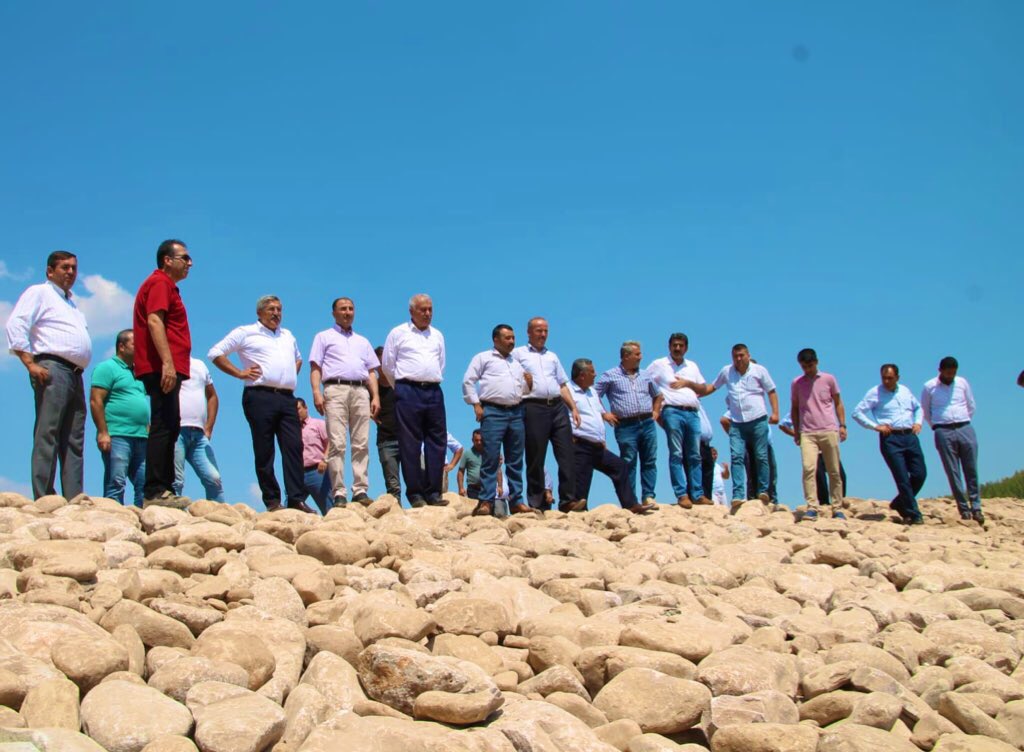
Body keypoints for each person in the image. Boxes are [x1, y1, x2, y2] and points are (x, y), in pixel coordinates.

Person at [209, 295, 312, 513]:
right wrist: (239, 373)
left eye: (279, 309)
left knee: (294, 447)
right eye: (271, 309)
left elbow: (298, 358)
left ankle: (296, 498)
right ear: (259, 312)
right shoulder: (246, 332)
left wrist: (287, 375)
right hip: (259, 396)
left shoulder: (287, 335)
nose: (276, 313)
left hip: (287, 398)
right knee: (265, 449)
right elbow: (216, 353)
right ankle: (272, 500)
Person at [5, 250, 92, 499]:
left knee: (74, 437)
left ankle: (74, 496)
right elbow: (17, 323)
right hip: (52, 367)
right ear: (50, 271)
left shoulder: (72, 304)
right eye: (65, 267)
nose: (71, 272)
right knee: (48, 432)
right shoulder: (39, 292)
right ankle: (44, 496)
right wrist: (29, 363)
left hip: (76, 372)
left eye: (74, 268)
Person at [133, 240, 193, 509]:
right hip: (161, 366)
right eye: (185, 258)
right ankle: (155, 490)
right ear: (167, 260)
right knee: (163, 424)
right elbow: (155, 320)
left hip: (170, 366)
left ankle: (165, 488)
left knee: (171, 424)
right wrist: (167, 363)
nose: (190, 263)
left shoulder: (168, 286)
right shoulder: (159, 282)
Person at [684, 344, 779, 511]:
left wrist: (775, 413)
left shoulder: (759, 370)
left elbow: (771, 391)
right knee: (736, 457)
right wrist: (693, 389)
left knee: (761, 456)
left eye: (741, 355)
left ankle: (764, 490)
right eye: (735, 356)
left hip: (758, 419)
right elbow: (712, 387)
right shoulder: (727, 371)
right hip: (737, 422)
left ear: (748, 355)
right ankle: (738, 494)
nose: (738, 359)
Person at [308, 297, 380, 507]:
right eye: (343, 309)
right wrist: (316, 392)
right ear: (334, 313)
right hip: (335, 388)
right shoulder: (323, 337)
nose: (347, 312)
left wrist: (375, 396)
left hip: (360, 390)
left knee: (361, 442)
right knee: (337, 443)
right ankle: (338, 491)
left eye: (350, 308)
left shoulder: (362, 341)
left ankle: (360, 489)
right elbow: (315, 367)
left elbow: (371, 371)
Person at [381, 294, 448, 508]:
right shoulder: (398, 333)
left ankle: (434, 492)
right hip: (407, 390)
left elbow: (441, 363)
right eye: (423, 309)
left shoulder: (437, 335)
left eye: (430, 309)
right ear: (412, 311)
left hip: (434, 390)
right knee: (410, 443)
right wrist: (401, 388)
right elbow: (388, 366)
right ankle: (416, 494)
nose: (427, 313)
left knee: (437, 442)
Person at [567, 358, 656, 515]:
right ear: (582, 375)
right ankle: (577, 511)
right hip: (579, 443)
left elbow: (599, 413)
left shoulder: (592, 392)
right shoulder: (567, 391)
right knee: (582, 481)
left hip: (597, 445)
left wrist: (602, 437)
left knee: (620, 466)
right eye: (592, 372)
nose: (595, 374)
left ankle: (630, 504)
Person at [512, 317, 581, 511]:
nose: (543, 334)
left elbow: (562, 384)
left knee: (566, 453)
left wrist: (573, 407)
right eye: (539, 330)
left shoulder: (552, 356)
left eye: (545, 331)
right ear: (529, 332)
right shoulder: (518, 354)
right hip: (533, 406)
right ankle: (536, 502)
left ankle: (568, 500)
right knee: (536, 455)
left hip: (558, 407)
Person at [462, 324, 531, 516]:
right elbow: (468, 381)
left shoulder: (516, 362)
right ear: (496, 339)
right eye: (507, 338)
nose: (512, 341)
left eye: (513, 338)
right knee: (491, 457)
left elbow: (522, 390)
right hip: (493, 411)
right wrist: (476, 404)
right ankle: (486, 501)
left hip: (516, 411)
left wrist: (529, 383)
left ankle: (517, 501)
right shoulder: (483, 358)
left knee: (515, 459)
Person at [853, 363, 926, 525]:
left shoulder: (905, 390)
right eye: (884, 378)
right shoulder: (875, 393)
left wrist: (918, 422)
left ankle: (900, 502)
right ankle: (913, 513)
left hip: (909, 435)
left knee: (920, 474)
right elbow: (857, 413)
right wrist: (875, 426)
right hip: (890, 438)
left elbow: (918, 407)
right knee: (902, 477)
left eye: (890, 378)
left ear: (897, 378)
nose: (886, 381)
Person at [595, 340, 662, 506]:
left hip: (647, 422)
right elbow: (593, 395)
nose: (641, 357)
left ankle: (648, 495)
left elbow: (658, 395)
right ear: (626, 356)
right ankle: (631, 501)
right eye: (637, 354)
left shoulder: (646, 375)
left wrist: (655, 412)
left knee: (649, 460)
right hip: (625, 425)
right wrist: (604, 414)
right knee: (628, 461)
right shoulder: (610, 375)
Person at [647, 333, 710, 508]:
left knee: (695, 455)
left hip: (692, 412)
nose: (677, 348)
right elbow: (644, 381)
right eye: (674, 345)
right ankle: (682, 494)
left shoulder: (692, 366)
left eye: (681, 345)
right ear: (669, 346)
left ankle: (697, 494)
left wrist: (688, 383)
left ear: (686, 348)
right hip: (672, 411)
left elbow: (703, 388)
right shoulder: (659, 364)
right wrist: (656, 410)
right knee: (676, 453)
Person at [89, 329, 148, 506]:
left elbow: (140, 401)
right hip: (117, 434)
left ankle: (142, 517)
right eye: (135, 344)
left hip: (141, 436)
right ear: (121, 346)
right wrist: (102, 432)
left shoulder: (138, 373)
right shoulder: (107, 368)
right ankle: (113, 515)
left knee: (145, 483)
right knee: (116, 481)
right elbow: (96, 400)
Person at [922, 356, 982, 524]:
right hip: (943, 429)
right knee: (952, 471)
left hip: (964, 426)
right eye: (948, 373)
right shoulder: (929, 386)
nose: (950, 376)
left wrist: (963, 420)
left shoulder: (962, 383)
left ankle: (976, 506)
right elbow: (926, 411)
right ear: (940, 371)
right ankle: (963, 509)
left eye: (953, 373)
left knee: (971, 468)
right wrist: (936, 426)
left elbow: (971, 405)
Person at [790, 348, 848, 521]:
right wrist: (796, 431)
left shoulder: (829, 379)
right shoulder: (797, 383)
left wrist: (842, 425)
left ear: (816, 362)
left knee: (834, 470)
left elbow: (838, 403)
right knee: (809, 469)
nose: (807, 369)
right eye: (804, 366)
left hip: (828, 429)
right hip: (807, 432)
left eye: (810, 365)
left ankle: (837, 507)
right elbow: (794, 408)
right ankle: (812, 506)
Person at [174, 356, 225, 502]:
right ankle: (174, 513)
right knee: (176, 480)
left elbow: (212, 396)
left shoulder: (200, 365)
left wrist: (209, 427)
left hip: (199, 433)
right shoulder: (167, 362)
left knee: (214, 478)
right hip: (176, 431)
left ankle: (218, 513)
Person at [779, 416, 847, 511]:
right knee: (819, 478)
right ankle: (824, 505)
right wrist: (798, 435)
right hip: (814, 449)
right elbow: (783, 424)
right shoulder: (803, 409)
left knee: (839, 475)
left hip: (828, 445)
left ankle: (840, 503)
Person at [720, 408, 779, 505]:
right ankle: (754, 500)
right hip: (752, 446)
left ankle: (772, 499)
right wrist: (737, 438)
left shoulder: (760, 408)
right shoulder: (742, 407)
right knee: (753, 474)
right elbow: (724, 420)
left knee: (771, 472)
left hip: (766, 444)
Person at [372, 346, 401, 499]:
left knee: (417, 480)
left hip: (406, 439)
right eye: (379, 363)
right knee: (393, 486)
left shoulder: (401, 385)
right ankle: (396, 511)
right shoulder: (372, 388)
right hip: (385, 441)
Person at [297, 397, 332, 514]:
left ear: (306, 408)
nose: (296, 413)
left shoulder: (318, 424)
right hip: (297, 473)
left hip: (317, 471)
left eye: (298, 409)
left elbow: (331, 442)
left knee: (329, 508)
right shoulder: (292, 429)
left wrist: (325, 460)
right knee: (291, 507)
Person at [458, 429, 485, 500]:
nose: (479, 442)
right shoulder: (467, 454)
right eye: (476, 440)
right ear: (472, 440)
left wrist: (499, 486)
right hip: (473, 490)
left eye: (481, 440)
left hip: (486, 489)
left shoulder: (489, 453)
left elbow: (497, 469)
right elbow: (461, 471)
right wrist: (461, 488)